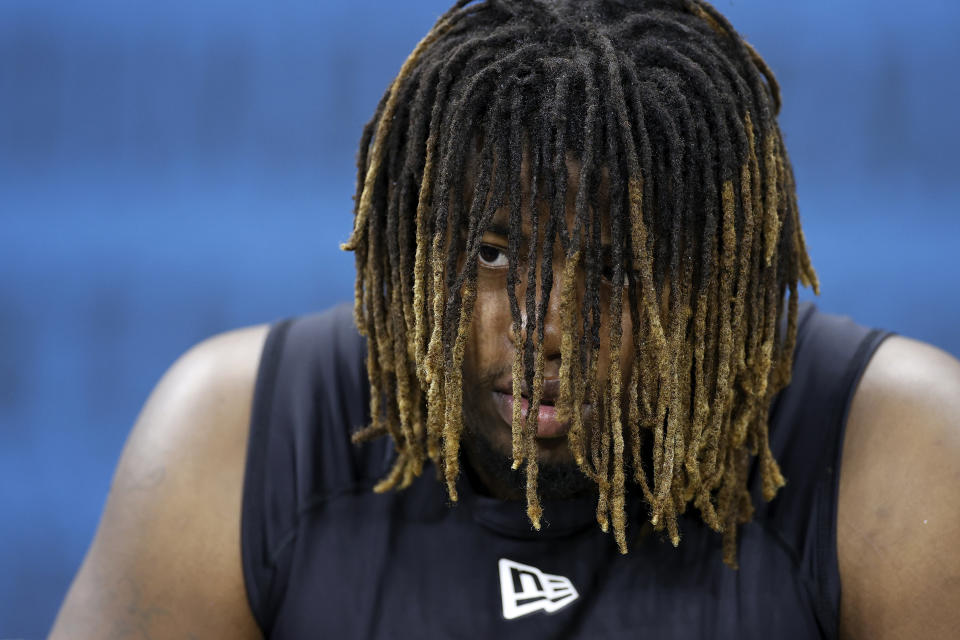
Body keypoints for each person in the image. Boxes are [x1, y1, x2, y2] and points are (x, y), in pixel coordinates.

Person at [50, 0, 960, 638]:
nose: (545, 326)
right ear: (412, 236)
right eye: (494, 253)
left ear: (723, 277)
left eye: (615, 267)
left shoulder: (901, 448)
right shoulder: (240, 436)